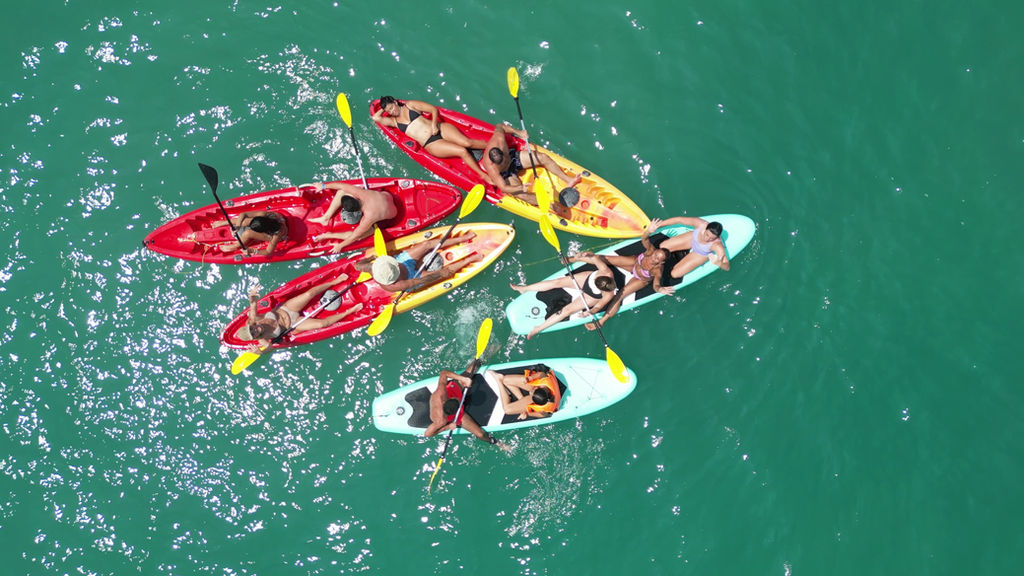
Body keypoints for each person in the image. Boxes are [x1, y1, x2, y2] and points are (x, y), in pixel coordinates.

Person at [372, 95, 491, 182]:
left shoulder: (410, 105)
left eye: (392, 107)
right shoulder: (393, 121)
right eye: (389, 111)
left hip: (439, 128)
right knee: (462, 151)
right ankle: (483, 175)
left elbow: (433, 110)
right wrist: (384, 107)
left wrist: (434, 124)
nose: (392, 111)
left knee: (467, 143)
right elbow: (375, 118)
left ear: (395, 102)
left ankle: (493, 145)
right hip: (431, 144)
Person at [479, 123, 582, 217]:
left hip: (513, 158)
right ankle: (549, 204)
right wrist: (520, 187)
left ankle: (568, 179)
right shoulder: (491, 168)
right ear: (494, 163)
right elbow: (504, 188)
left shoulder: (499, 140)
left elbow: (500, 126)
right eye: (501, 163)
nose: (503, 162)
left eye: (503, 159)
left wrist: (519, 133)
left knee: (543, 157)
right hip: (506, 174)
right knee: (519, 193)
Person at [585, 219, 670, 332]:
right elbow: (644, 238)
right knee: (607, 259)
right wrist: (649, 230)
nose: (654, 258)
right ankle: (571, 259)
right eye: (655, 255)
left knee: (620, 294)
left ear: (661, 262)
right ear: (655, 251)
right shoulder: (651, 251)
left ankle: (601, 321)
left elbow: (656, 284)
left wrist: (660, 289)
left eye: (658, 259)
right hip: (635, 263)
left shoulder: (657, 270)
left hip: (640, 278)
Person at [510, 251, 617, 339]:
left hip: (592, 296)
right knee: (556, 282)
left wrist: (589, 312)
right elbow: (594, 257)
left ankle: (538, 328)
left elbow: (598, 306)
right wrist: (583, 255)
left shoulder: (608, 292)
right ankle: (524, 289)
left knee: (567, 311)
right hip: (586, 279)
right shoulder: (603, 269)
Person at [243, 280, 363, 350]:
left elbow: (253, 304)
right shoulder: (263, 339)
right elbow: (269, 348)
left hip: (287, 309)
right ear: (255, 337)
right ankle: (350, 311)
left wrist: (252, 296)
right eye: (253, 333)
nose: (255, 329)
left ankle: (335, 281)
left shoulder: (254, 319)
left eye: (251, 328)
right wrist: (260, 352)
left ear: (250, 325)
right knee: (322, 324)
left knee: (309, 294)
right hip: (294, 324)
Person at [354, 231, 482, 293]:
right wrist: (439, 274)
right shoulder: (395, 286)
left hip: (403, 262)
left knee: (427, 244)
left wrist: (371, 258)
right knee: (445, 273)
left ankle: (463, 238)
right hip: (412, 277)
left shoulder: (372, 267)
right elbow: (420, 281)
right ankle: (471, 259)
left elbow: (357, 265)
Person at [425, 360, 510, 449]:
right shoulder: (441, 421)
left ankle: (482, 359)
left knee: (474, 367)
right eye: (458, 400)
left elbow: (444, 373)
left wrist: (463, 379)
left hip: (453, 390)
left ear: (446, 400)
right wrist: (447, 427)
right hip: (456, 416)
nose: (459, 398)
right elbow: (427, 434)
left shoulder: (441, 393)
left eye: (456, 399)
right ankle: (496, 442)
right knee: (480, 434)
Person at [308, 181, 399, 254]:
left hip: (392, 215)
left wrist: (340, 245)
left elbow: (354, 237)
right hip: (387, 197)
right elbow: (342, 186)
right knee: (342, 191)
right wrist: (323, 186)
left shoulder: (367, 219)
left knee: (364, 233)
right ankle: (326, 218)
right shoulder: (362, 193)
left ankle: (328, 234)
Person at [654, 216, 731, 281]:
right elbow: (679, 220)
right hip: (692, 239)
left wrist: (717, 262)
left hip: (700, 253)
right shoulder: (700, 224)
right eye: (707, 234)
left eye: (712, 238)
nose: (707, 239)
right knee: (662, 247)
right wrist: (658, 225)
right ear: (706, 228)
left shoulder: (717, 245)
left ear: (716, 238)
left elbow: (727, 266)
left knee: (674, 274)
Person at [489, 367, 562, 420]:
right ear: (540, 388)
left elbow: (542, 415)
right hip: (540, 392)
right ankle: (521, 400)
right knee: (505, 380)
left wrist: (526, 413)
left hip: (540, 398)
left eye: (531, 394)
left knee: (507, 410)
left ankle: (498, 381)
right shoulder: (545, 383)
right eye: (533, 391)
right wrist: (529, 378)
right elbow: (541, 374)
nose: (530, 392)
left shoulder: (545, 408)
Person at [214, 211, 288, 256]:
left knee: (248, 233)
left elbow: (268, 252)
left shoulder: (276, 235)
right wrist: (238, 226)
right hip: (266, 224)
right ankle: (225, 222)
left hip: (274, 233)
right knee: (245, 221)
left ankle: (236, 246)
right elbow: (244, 214)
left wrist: (253, 251)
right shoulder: (264, 214)